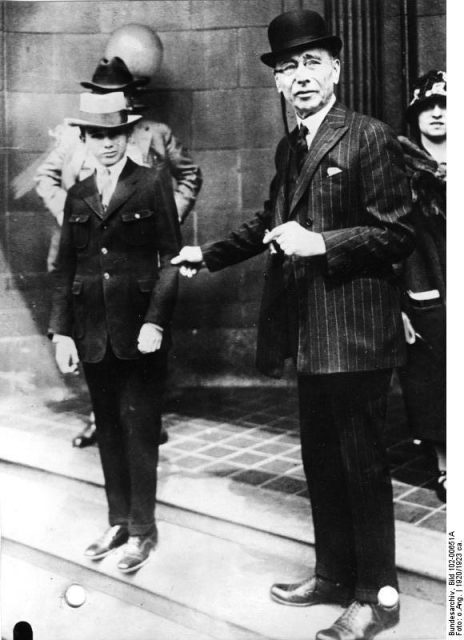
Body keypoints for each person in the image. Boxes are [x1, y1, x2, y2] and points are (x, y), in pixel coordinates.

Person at [172, 10, 414, 640]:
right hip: (309, 333)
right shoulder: (291, 146)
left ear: (336, 69)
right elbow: (270, 223)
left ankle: (377, 598)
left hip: (355, 334)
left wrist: (323, 243)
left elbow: (397, 233)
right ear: (277, 82)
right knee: (322, 463)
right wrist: (210, 253)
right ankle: (334, 576)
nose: (300, 77)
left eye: (311, 63)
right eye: (287, 68)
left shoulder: (370, 136)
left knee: (362, 467)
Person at [35, 52, 202, 448]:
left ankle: (147, 418)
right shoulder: (73, 135)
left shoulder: (155, 132)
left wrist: (166, 218)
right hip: (86, 257)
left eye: (119, 93)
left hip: (138, 262)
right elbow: (46, 177)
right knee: (93, 339)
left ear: (131, 97)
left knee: (143, 340)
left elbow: (189, 176)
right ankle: (100, 418)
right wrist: (72, 218)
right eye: (103, 93)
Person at [49, 91, 180, 573]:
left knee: (140, 428)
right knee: (107, 427)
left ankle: (144, 530)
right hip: (92, 334)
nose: (106, 144)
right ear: (84, 138)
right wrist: (61, 333)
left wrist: (155, 321)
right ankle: (119, 520)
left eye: (114, 134)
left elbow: (173, 261)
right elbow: (66, 268)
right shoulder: (79, 193)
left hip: (140, 332)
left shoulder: (151, 183)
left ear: (128, 134)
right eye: (96, 135)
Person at [398, 70, 446, 501]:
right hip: (424, 288)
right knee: (430, 377)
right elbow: (390, 239)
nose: (435, 114)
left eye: (444, 106)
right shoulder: (400, 168)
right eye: (427, 107)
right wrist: (398, 305)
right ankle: (445, 465)